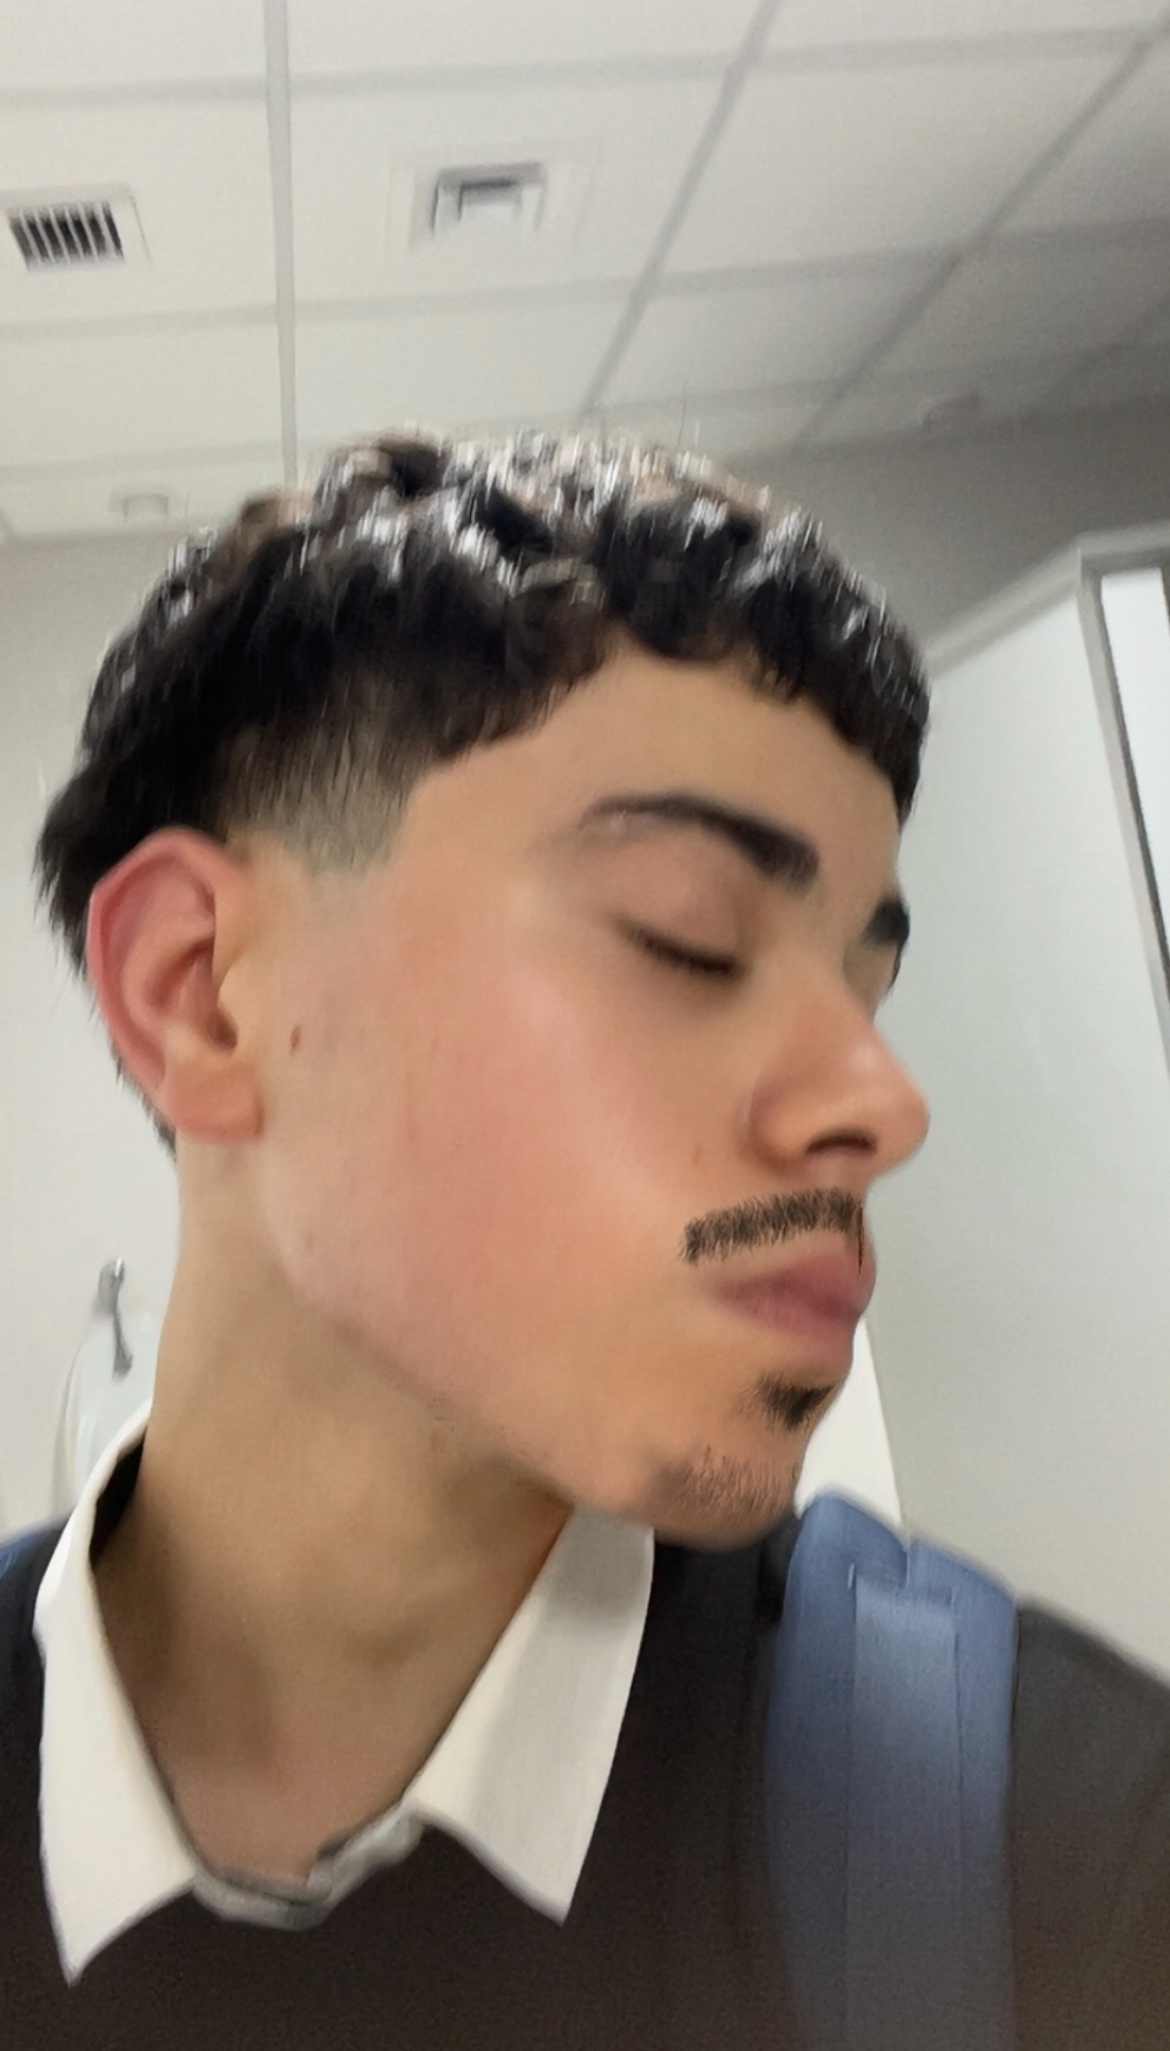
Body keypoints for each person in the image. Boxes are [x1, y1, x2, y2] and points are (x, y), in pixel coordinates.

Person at [1, 430, 1168, 2049]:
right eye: (688, 940)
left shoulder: (1056, 1841)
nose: (882, 1102)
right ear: (202, 995)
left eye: (865, 985)